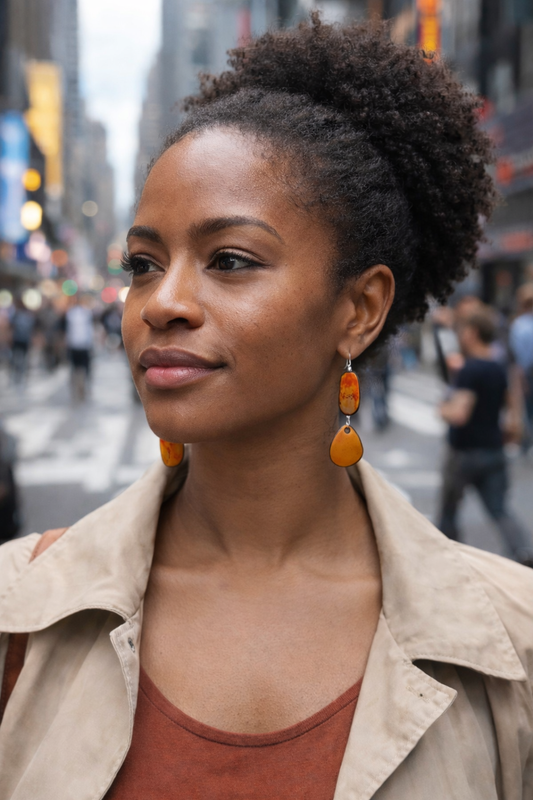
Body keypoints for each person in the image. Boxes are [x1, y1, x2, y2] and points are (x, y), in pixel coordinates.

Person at [1, 18, 532, 799]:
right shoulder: (19, 610)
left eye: (231, 260)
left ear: (359, 309)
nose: (163, 302)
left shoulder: (511, 642)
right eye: (143, 264)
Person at [438, 306, 532, 563]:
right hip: (494, 449)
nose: (459, 335)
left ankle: (447, 559)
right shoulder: (498, 367)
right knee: (499, 509)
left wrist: (442, 408)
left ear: (472, 333)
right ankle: (523, 553)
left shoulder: (470, 370)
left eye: (462, 331)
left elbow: (459, 413)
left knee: (449, 511)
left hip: (464, 452)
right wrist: (514, 431)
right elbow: (513, 404)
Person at [509, 282, 533, 453]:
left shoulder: (519, 324)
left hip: (527, 370)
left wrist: (521, 375)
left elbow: (519, 355)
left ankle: (526, 443)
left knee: (526, 408)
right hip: (527, 370)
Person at [64, 294, 94, 401]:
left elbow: (89, 330)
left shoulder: (85, 313)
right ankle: (77, 386)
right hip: (75, 345)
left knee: (83, 367)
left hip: (83, 345)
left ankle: (82, 387)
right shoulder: (71, 313)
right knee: (76, 367)